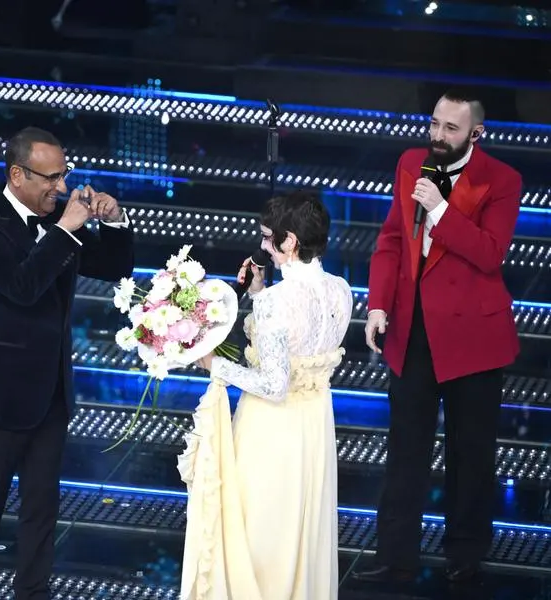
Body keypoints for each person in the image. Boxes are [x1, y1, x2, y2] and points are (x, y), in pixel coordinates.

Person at [0, 126, 134, 600]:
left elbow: (114, 268)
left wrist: (112, 222)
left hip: (50, 391)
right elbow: (22, 287)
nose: (62, 187)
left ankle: (33, 593)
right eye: (51, 178)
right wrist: (66, 228)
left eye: (64, 175)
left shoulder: (57, 222)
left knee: (41, 509)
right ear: (17, 174)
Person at [352, 91, 522, 584]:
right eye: (434, 124)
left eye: (450, 128)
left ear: (476, 133)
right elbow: (390, 240)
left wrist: (442, 210)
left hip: (473, 335)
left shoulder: (502, 180)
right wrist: (379, 304)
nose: (438, 136)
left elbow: (490, 254)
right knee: (406, 449)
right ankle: (394, 556)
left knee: (470, 452)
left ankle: (465, 558)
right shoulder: (411, 163)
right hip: (413, 330)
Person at [181, 190, 352, 600]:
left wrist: (212, 365)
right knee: (300, 523)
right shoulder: (341, 289)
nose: (262, 246)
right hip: (314, 424)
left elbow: (273, 385)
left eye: (267, 237)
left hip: (273, 430)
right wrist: (257, 292)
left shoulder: (277, 302)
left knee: (262, 532)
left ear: (289, 241)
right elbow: (303, 345)